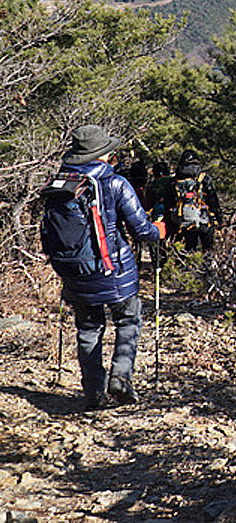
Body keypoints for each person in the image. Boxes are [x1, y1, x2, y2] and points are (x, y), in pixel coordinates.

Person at [46, 125, 166, 409]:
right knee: (128, 320)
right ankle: (121, 379)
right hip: (114, 271)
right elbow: (140, 229)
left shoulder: (60, 184)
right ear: (103, 154)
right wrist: (158, 230)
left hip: (74, 272)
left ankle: (93, 393)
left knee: (88, 329)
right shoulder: (114, 183)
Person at [173, 149, 223, 253]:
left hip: (184, 221)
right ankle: (207, 267)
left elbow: (170, 201)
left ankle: (188, 267)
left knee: (189, 248)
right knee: (207, 249)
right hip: (204, 218)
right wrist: (219, 218)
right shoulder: (203, 177)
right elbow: (212, 199)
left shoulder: (176, 179)